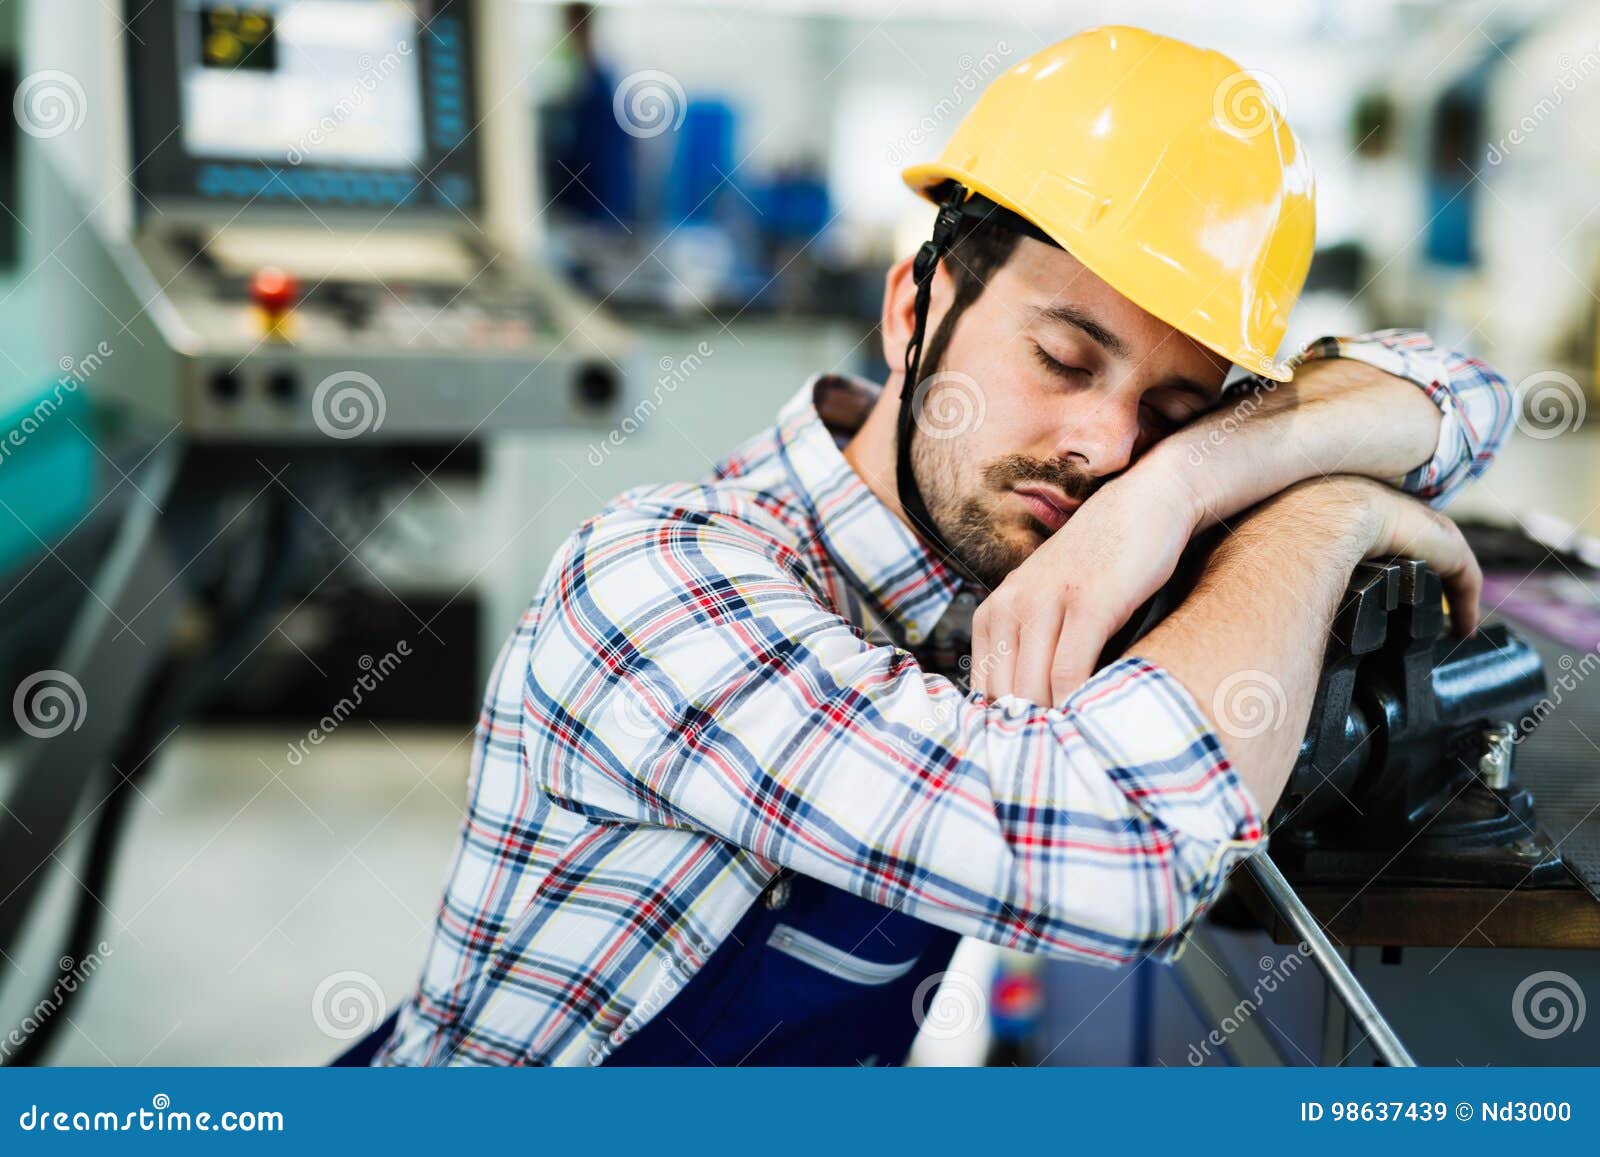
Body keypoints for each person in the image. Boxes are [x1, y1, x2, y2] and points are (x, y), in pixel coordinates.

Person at [377, 26, 1510, 1067]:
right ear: (914, 311)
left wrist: (1198, 476)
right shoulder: (654, 580)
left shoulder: (1047, 561)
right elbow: (1127, 853)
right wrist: (1323, 512)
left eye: (1168, 413)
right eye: (1064, 360)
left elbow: (1465, 393)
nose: (1103, 447)